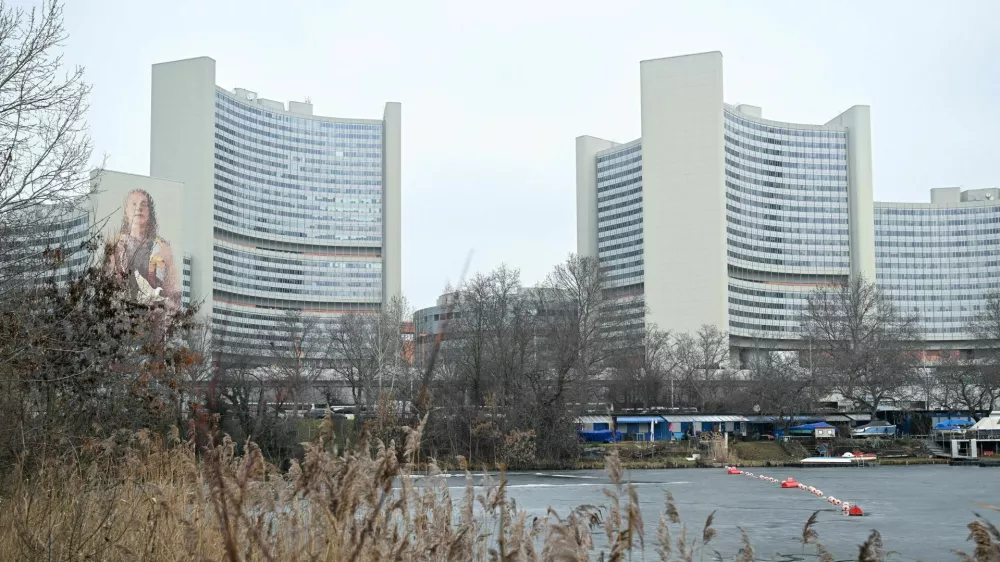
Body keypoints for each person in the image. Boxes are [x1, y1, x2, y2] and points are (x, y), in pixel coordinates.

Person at [107, 189, 180, 309]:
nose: (139, 208)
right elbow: (109, 284)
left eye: (143, 204)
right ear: (126, 210)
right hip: (123, 313)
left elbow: (173, 291)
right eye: (134, 204)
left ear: (150, 211)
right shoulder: (115, 244)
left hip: (154, 315)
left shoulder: (163, 248)